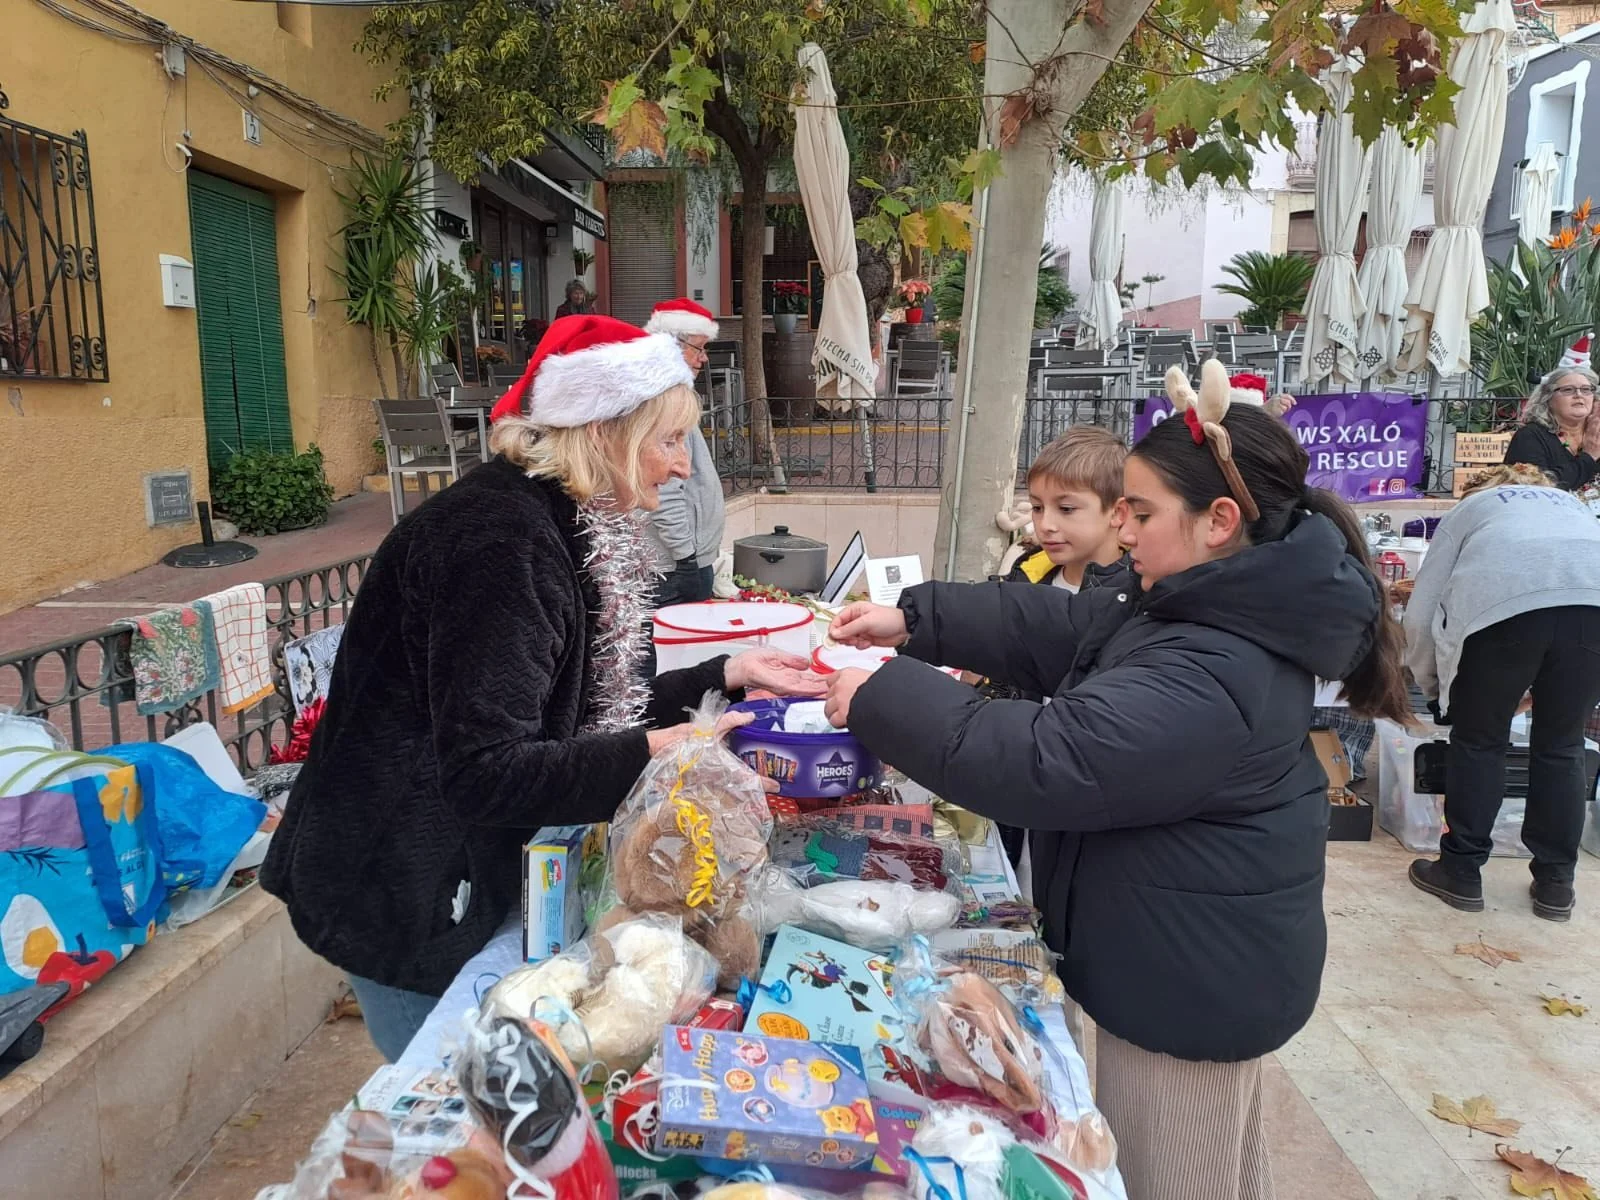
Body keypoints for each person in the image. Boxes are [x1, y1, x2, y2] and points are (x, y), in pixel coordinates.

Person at [821, 360, 1407, 1200]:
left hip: (1195, 984)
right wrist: (916, 620)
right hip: (1173, 947)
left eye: (1139, 512)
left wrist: (878, 694)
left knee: (1175, 1170)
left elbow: (1052, 759)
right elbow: (1059, 624)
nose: (1122, 531)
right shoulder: (1187, 598)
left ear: (1220, 522)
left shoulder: (1218, 664)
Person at [262, 315, 822, 1062]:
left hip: (454, 872)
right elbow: (486, 771)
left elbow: (579, 710)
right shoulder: (501, 543)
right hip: (402, 885)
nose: (683, 467)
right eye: (668, 441)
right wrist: (657, 749)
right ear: (605, 435)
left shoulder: (563, 520)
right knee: (463, 1101)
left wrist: (722, 676)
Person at [1403, 462, 1600, 921]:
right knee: (1562, 745)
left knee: (1480, 741)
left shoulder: (1472, 508)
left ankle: (1462, 870)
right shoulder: (1574, 506)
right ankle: (1556, 883)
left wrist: (1438, 690)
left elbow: (1421, 612)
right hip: (1594, 604)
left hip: (1503, 609)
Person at [642, 298, 725, 606]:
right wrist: (686, 556)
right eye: (698, 347)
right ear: (672, 345)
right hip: (674, 565)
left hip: (679, 559)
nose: (703, 358)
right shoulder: (663, 401)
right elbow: (664, 489)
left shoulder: (670, 394)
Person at [1503, 365, 1600, 491]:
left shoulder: (1596, 432)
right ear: (1547, 398)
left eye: (1586, 389)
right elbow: (1538, 488)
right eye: (1568, 390)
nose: (1578, 394)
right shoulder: (1530, 436)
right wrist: (1590, 456)